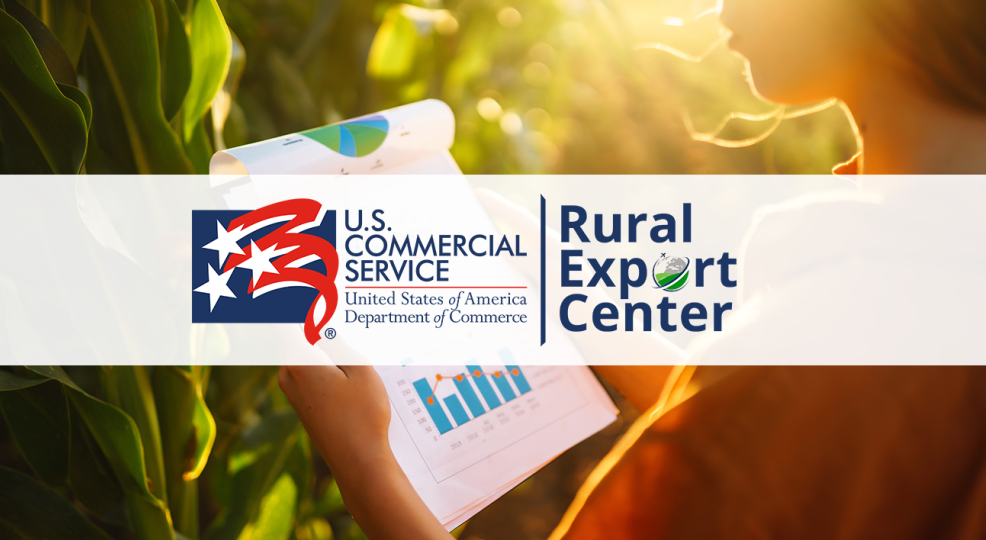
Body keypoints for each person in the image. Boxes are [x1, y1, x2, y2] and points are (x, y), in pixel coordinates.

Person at [279, 0, 986, 538]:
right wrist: (569, 293)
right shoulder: (926, 278)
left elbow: (783, 411)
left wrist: (366, 462)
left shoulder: (841, 333)